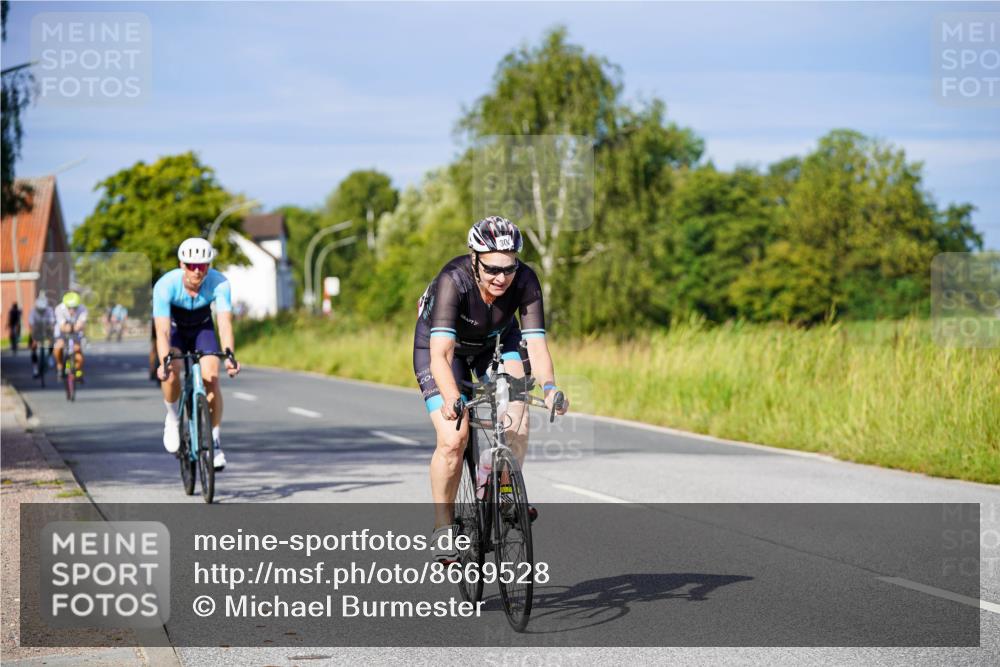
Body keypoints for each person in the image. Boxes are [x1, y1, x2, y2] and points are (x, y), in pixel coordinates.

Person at [413, 216, 569, 563]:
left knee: (517, 419)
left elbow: (537, 345)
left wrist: (549, 387)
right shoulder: (453, 281)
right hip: (440, 349)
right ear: (474, 259)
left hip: (496, 341)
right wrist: (454, 398)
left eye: (509, 268)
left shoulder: (526, 280)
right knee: (454, 439)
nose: (501, 278)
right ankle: (442, 527)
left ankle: (504, 490)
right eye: (492, 269)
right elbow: (441, 355)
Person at [153, 238, 240, 470]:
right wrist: (164, 362)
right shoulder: (165, 285)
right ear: (182, 265)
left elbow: (224, 323)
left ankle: (214, 440)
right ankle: (172, 418)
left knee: (211, 376)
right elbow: (161, 330)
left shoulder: (220, 283)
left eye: (202, 265)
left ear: (208, 267)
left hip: (203, 328)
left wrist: (230, 356)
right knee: (171, 372)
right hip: (175, 330)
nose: (197, 271)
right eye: (192, 265)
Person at [53, 291, 88, 381]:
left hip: (76, 332)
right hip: (62, 332)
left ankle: (78, 371)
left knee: (78, 351)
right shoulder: (59, 309)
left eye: (74, 307)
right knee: (58, 347)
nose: (72, 310)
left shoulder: (83, 309)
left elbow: (80, 325)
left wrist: (77, 326)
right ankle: (60, 366)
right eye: (70, 308)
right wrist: (70, 327)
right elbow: (62, 326)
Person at [28, 295, 55, 377]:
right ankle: (35, 368)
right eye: (40, 310)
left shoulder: (49, 310)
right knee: (33, 347)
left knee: (52, 339)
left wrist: (50, 330)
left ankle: (50, 356)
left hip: (46, 328)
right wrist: (34, 339)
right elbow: (31, 326)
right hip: (36, 329)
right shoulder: (33, 311)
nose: (41, 312)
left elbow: (52, 322)